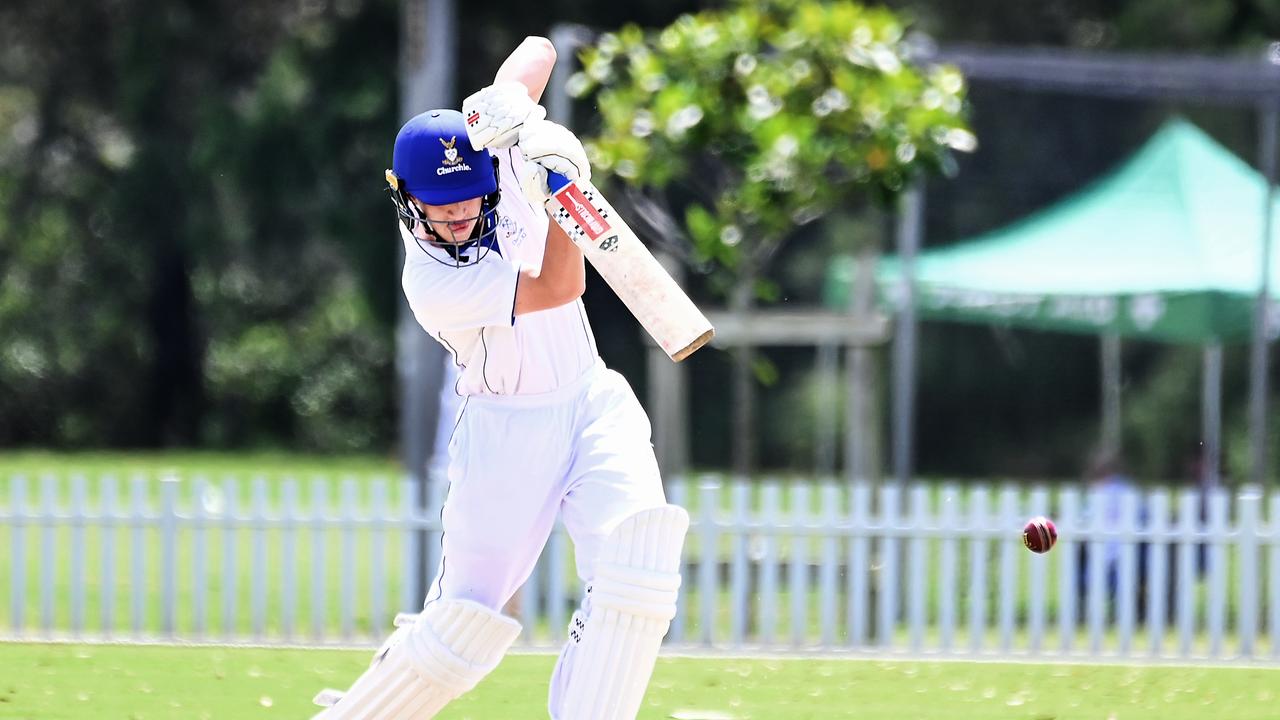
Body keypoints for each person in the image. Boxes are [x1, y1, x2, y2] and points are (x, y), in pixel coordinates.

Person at [311, 36, 689, 720]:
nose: (458, 215)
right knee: (463, 628)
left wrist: (512, 109)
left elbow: (538, 52)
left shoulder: (501, 159)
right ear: (405, 197)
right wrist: (566, 185)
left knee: (640, 563)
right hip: (505, 431)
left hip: (590, 398)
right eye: (440, 205)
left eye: (468, 199)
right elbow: (559, 285)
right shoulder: (432, 281)